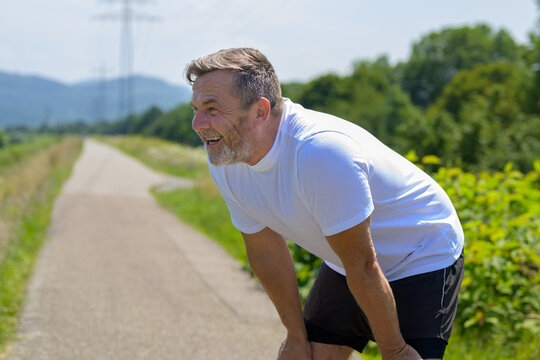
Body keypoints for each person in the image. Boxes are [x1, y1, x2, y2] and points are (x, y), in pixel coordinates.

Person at [185, 48, 464, 360]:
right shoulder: (227, 156)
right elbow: (266, 251)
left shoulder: (320, 153)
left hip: (421, 251)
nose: (198, 123)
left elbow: (364, 266)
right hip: (351, 261)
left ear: (260, 111)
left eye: (212, 109)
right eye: (196, 108)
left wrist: (395, 350)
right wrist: (295, 336)